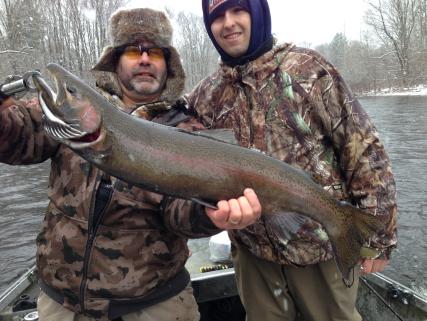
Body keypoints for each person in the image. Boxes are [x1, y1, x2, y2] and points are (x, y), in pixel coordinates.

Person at [0, 7, 261, 321]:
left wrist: (210, 215)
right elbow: (17, 136)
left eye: (155, 51)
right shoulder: (71, 114)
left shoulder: (187, 130)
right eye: (133, 51)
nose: (145, 58)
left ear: (169, 64)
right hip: (61, 305)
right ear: (115, 60)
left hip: (153, 307)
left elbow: (179, 213)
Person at [186, 0, 398, 320]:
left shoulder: (309, 70)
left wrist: (380, 239)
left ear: (257, 12)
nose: (227, 22)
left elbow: (364, 151)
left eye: (237, 10)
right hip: (253, 256)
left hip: (321, 253)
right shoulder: (206, 96)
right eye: (217, 16)